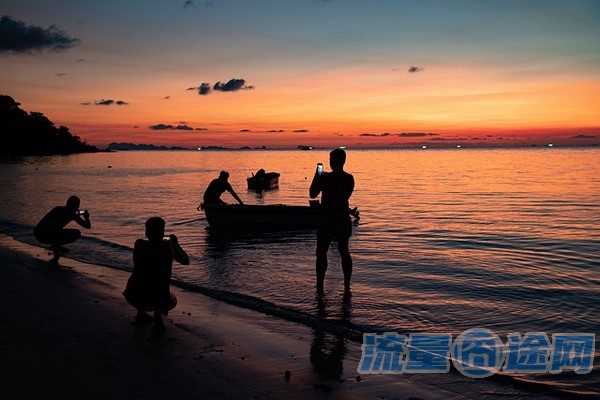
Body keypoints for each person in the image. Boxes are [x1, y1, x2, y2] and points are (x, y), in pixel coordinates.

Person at [123, 217, 189, 333]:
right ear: (162, 232)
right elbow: (185, 261)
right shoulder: (167, 247)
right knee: (164, 290)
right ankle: (158, 317)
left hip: (133, 294)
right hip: (158, 297)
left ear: (147, 232)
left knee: (143, 277)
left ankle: (141, 313)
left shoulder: (139, 244)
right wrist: (176, 245)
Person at [309, 148, 355, 293]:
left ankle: (320, 286)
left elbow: (312, 193)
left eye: (331, 159)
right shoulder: (349, 178)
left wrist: (317, 176)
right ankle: (347, 287)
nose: (329, 161)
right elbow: (343, 198)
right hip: (342, 218)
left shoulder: (325, 177)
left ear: (333, 161)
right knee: (344, 251)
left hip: (327, 220)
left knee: (321, 253)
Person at [33, 195, 91, 266]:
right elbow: (87, 226)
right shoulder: (72, 214)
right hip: (46, 236)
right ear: (76, 206)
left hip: (38, 234)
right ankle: (56, 245)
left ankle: (56, 245)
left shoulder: (58, 209)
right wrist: (87, 217)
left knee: (58, 230)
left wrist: (79, 213)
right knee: (76, 233)